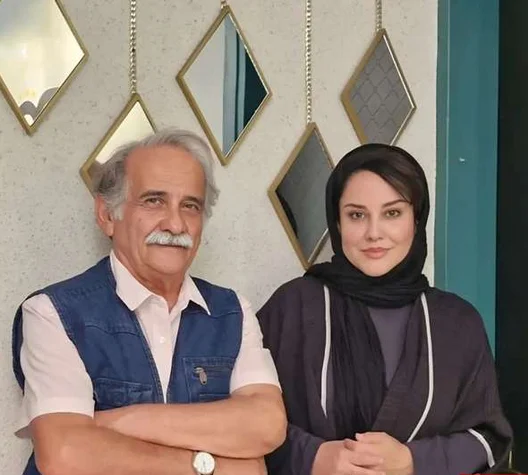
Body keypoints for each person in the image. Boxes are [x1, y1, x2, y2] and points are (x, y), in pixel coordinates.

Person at [12, 129, 286, 475]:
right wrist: (211, 467)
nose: (175, 224)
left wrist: (109, 423)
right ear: (107, 215)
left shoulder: (232, 312)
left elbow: (267, 424)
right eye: (154, 201)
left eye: (190, 206)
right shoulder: (53, 313)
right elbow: (65, 454)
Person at [257, 143, 512, 475]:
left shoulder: (456, 323)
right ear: (337, 222)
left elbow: (488, 441)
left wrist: (413, 461)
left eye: (392, 213)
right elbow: (247, 420)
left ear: (417, 219)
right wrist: (314, 457)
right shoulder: (294, 308)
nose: (374, 233)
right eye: (356, 215)